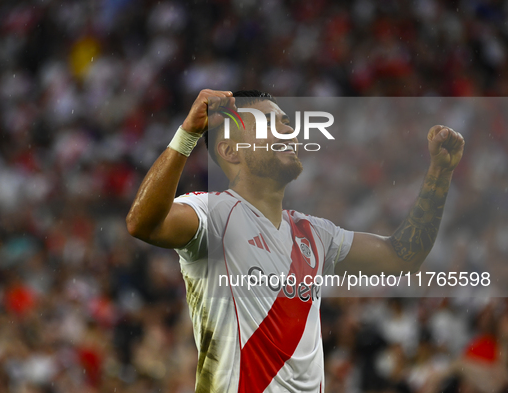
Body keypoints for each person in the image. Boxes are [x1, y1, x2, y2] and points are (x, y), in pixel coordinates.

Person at [126, 89, 465, 392]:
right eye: (270, 124)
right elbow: (143, 223)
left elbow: (403, 256)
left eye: (287, 123)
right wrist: (187, 135)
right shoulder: (212, 213)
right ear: (230, 151)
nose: (289, 131)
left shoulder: (315, 234)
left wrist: (440, 172)